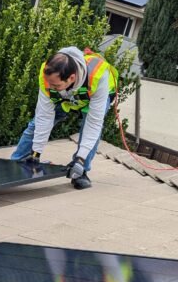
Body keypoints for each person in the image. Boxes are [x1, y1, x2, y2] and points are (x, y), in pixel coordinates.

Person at [11, 47, 118, 189]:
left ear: (71, 78)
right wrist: (36, 153)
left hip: (93, 96)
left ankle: (81, 171)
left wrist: (80, 159)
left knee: (89, 128)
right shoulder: (48, 74)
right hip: (65, 95)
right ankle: (18, 161)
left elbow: (93, 125)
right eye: (49, 83)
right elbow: (44, 117)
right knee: (36, 124)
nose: (49, 87)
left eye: (54, 85)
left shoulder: (98, 76)